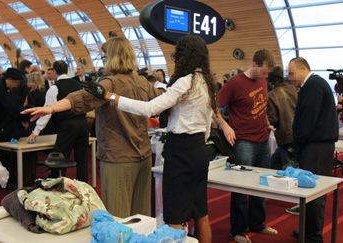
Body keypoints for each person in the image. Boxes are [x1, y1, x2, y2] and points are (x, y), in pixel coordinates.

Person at [82, 35, 234, 243]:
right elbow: (208, 123)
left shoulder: (185, 82)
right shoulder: (206, 82)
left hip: (181, 150)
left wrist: (110, 97)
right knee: (201, 212)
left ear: (184, 56)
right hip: (200, 148)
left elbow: (149, 109)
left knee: (174, 215)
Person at [22, 37, 163, 218]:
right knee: (141, 216)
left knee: (117, 216)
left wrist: (50, 108)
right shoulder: (143, 82)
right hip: (143, 157)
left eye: (104, 56)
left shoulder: (108, 84)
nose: (103, 60)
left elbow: (80, 98)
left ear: (112, 56)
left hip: (117, 159)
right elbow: (162, 100)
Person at [218, 49, 277, 243]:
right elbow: (214, 107)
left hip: (263, 139)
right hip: (244, 141)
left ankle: (257, 223)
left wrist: (266, 122)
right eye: (264, 72)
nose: (266, 77)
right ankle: (238, 229)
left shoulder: (262, 81)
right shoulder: (234, 84)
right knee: (241, 187)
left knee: (261, 184)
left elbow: (262, 106)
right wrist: (225, 125)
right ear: (254, 64)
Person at [288, 57, 338, 242]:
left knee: (314, 195)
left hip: (316, 147)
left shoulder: (313, 86)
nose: (290, 77)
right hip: (316, 146)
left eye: (292, 73)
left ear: (303, 69)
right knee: (308, 193)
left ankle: (313, 237)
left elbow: (308, 120)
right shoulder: (314, 84)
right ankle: (307, 231)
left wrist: (297, 142)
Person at [26, 61, 89, 182]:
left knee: (59, 157)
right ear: (67, 70)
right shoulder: (79, 85)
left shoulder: (55, 88)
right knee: (82, 159)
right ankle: (84, 186)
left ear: (54, 71)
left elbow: (46, 111)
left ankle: (54, 183)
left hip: (67, 124)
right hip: (82, 122)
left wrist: (36, 131)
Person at [267, 66, 297, 170]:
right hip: (298, 134)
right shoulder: (294, 89)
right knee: (274, 162)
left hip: (285, 137)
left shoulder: (271, 95)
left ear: (270, 82)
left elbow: (273, 119)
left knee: (289, 171)